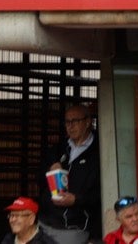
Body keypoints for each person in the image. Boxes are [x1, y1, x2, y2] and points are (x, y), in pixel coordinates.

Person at [43, 102, 100, 243]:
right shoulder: (58, 149)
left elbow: (102, 193)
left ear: (88, 122)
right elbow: (39, 179)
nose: (70, 125)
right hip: (47, 222)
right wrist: (51, 167)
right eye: (67, 121)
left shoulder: (99, 151)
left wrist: (76, 199)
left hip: (77, 227)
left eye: (75, 121)